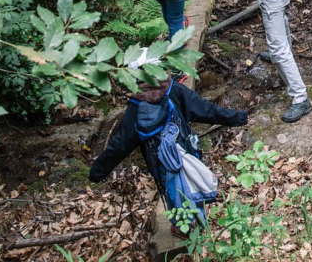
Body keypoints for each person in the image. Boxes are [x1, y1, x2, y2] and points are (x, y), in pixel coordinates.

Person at [88, 77, 247, 191]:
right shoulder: (173, 89)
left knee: (170, 188)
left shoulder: (136, 108)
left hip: (159, 160)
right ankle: (194, 218)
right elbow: (206, 110)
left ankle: (181, 224)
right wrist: (238, 117)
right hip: (185, 149)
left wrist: (97, 172)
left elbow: (120, 145)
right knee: (191, 181)